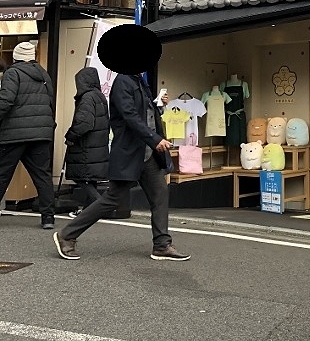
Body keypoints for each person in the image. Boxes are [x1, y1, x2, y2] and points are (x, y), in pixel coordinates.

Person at [54, 72, 190, 261]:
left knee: (160, 195)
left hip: (148, 152)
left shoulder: (139, 81)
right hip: (130, 152)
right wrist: (155, 139)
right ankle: (67, 234)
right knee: (112, 199)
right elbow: (129, 115)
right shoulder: (123, 81)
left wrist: (158, 105)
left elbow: (144, 114)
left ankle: (161, 244)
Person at [0, 41, 56, 229]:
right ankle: (48, 217)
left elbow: (6, 101)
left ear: (15, 57)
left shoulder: (12, 73)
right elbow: (49, 102)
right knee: (42, 176)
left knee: (2, 173)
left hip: (14, 133)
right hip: (41, 133)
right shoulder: (44, 74)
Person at [64, 67, 110, 217]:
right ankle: (87, 211)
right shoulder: (100, 97)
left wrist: (70, 136)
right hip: (98, 146)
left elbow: (84, 123)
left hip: (86, 146)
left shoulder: (87, 98)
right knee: (90, 180)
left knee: (82, 178)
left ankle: (103, 207)